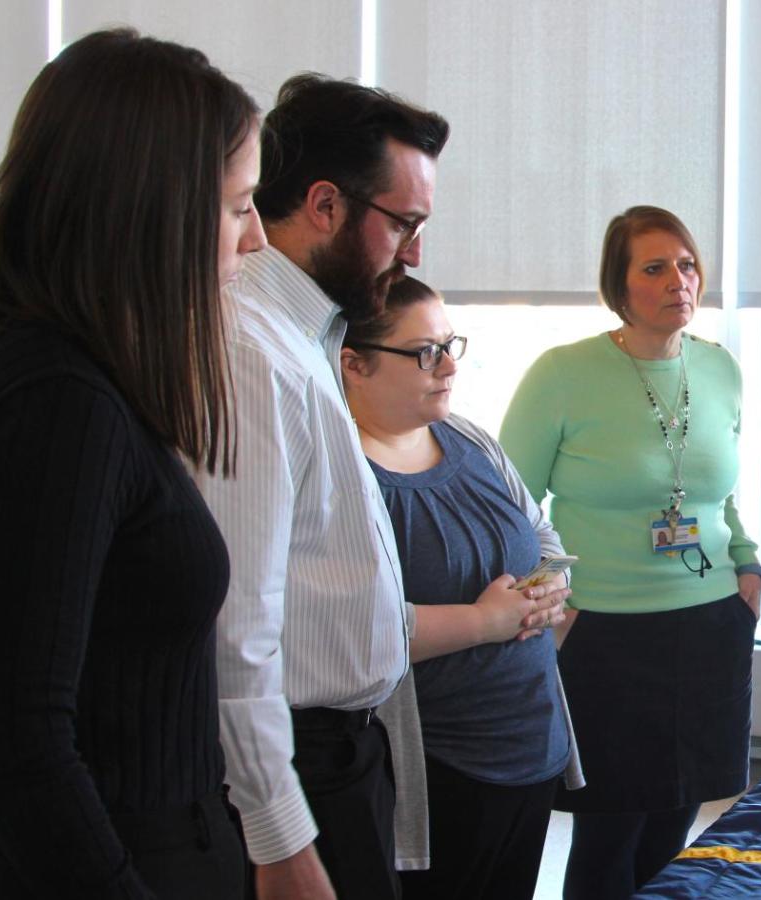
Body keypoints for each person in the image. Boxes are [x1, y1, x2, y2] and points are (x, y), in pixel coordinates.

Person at [192, 75, 550, 899]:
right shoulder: (252, 349)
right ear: (324, 205)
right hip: (298, 760)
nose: (415, 252)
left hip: (351, 749)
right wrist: (281, 835)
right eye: (405, 224)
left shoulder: (304, 336)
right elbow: (237, 628)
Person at [0, 29, 264, 896]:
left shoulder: (98, 386)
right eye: (239, 206)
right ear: (153, 207)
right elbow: (14, 745)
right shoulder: (59, 406)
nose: (256, 240)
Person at [500, 205, 761, 898]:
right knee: (608, 830)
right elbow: (509, 510)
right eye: (655, 267)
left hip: (710, 625)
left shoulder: (719, 369)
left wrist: (748, 564)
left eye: (687, 263)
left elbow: (719, 491)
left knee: (678, 823)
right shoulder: (563, 373)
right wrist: (549, 606)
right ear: (619, 289)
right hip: (603, 633)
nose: (679, 279)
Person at [340, 276, 578, 900]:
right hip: (440, 768)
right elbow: (353, 630)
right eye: (424, 352)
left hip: (530, 747)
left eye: (450, 344)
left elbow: (543, 537)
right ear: (353, 363)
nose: (448, 365)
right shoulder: (342, 474)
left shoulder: (468, 438)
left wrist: (550, 587)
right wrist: (485, 623)